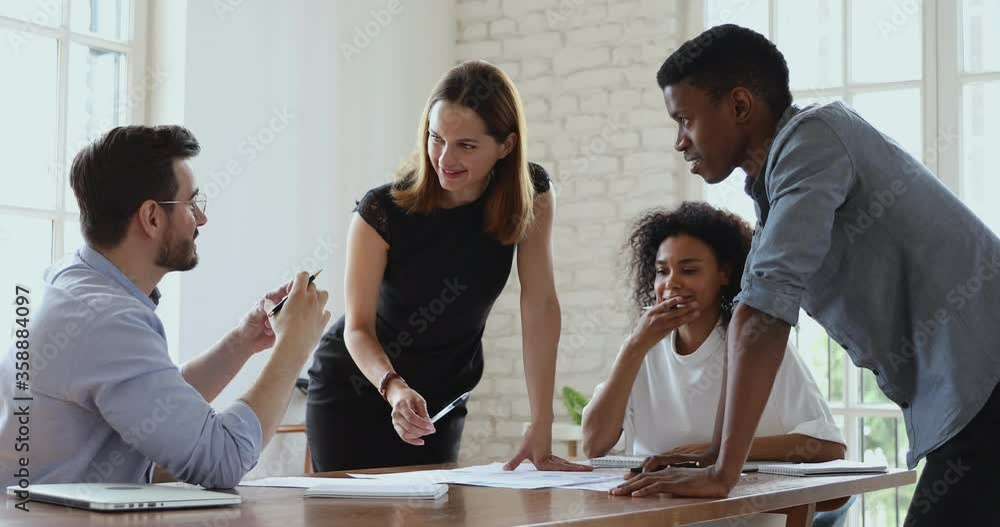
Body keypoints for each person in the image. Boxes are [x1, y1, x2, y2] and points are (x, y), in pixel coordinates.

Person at [613, 24, 1000, 527]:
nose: (679, 142)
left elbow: (763, 311)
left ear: (739, 105)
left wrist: (723, 471)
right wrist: (718, 451)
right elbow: (756, 306)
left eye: (685, 119)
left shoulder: (814, 139)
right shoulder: (773, 186)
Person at [0, 125, 331, 489]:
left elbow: (159, 405)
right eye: (191, 204)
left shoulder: (76, 282)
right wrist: (293, 348)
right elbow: (223, 460)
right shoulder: (108, 321)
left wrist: (243, 341)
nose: (201, 219)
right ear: (152, 217)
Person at [306, 60, 588, 473]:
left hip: (441, 396)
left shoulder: (531, 194)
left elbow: (540, 303)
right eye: (436, 138)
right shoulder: (381, 210)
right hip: (359, 388)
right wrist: (395, 388)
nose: (444, 158)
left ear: (506, 145)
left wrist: (541, 424)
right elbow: (358, 328)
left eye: (466, 146)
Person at [582, 203, 845, 527]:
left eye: (689, 270)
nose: (672, 283)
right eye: (662, 271)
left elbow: (829, 447)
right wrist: (634, 346)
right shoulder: (642, 350)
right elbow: (594, 444)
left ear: (724, 273)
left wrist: (716, 452)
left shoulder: (757, 346)